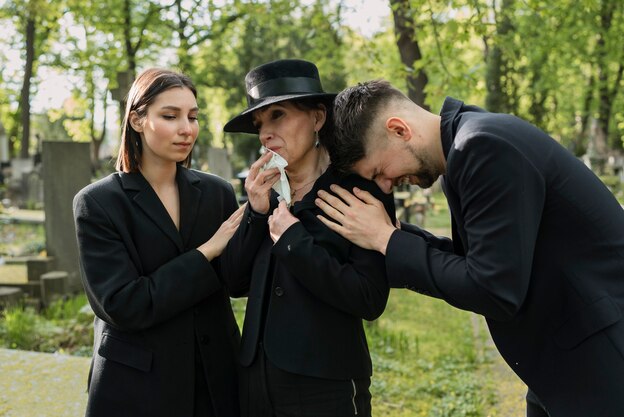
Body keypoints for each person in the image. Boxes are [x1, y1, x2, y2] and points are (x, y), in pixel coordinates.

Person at [315, 79, 624, 417]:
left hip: (603, 362)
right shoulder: (464, 149)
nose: (386, 185)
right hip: (565, 364)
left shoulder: (482, 147)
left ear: (399, 130)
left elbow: (493, 288)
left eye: (378, 172)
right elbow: (482, 261)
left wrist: (386, 240)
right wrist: (394, 235)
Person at [221, 59, 396, 417]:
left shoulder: (359, 189)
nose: (265, 133)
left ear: (317, 119)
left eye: (278, 115)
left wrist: (293, 239)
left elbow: (369, 298)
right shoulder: (265, 194)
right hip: (255, 382)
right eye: (259, 124)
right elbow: (234, 282)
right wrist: (255, 213)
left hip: (325, 384)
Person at [73, 68, 244, 417]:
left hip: (215, 381)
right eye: (170, 116)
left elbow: (236, 281)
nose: (186, 128)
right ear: (137, 119)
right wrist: (207, 251)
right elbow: (125, 304)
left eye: (193, 117)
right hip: (137, 386)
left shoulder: (217, 193)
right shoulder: (98, 203)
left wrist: (260, 211)